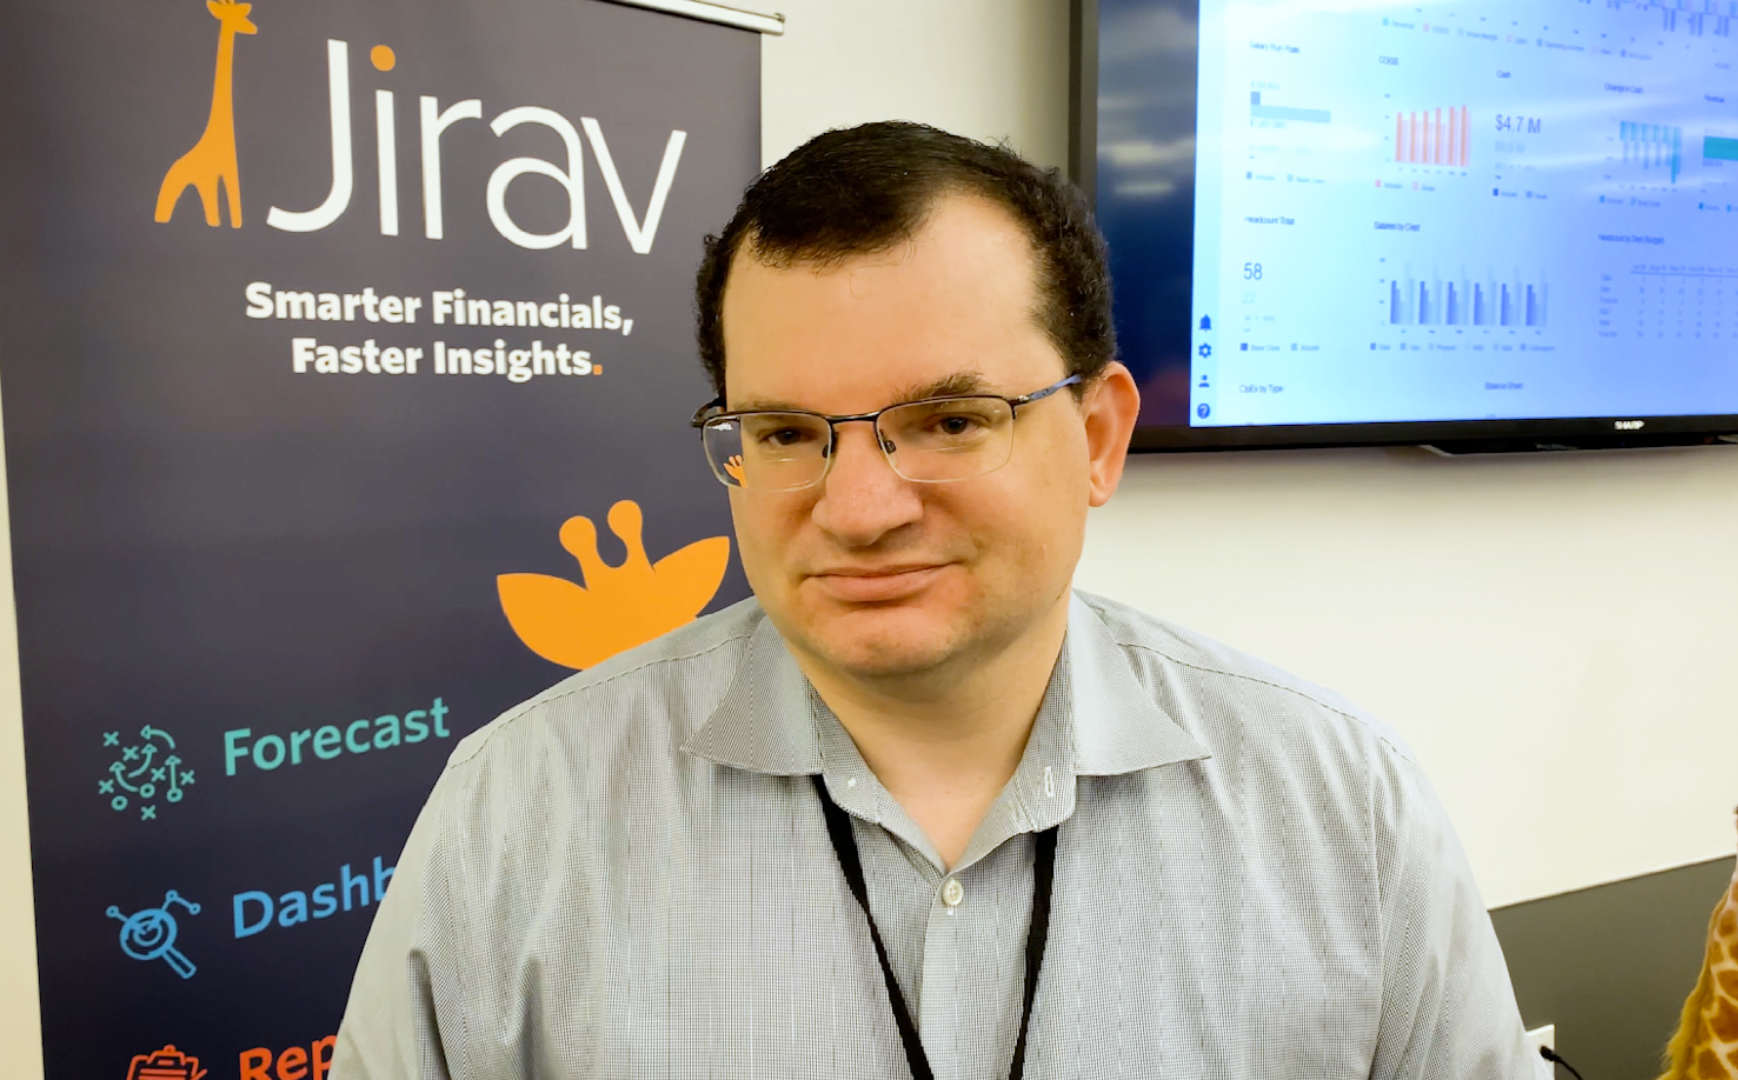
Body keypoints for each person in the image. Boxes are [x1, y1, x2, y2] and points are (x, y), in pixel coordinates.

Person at [332, 121, 1533, 1079]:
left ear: (1100, 437)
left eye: (950, 421)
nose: (859, 509)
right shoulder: (515, 821)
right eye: (785, 432)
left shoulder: (1344, 811)